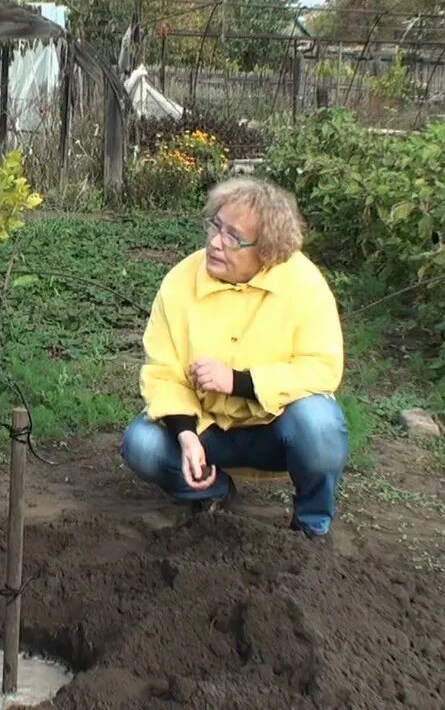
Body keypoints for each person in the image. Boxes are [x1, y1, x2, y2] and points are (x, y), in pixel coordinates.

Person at [121, 176, 348, 539]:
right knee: (142, 444)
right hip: (207, 430)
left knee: (319, 425)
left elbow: (321, 368)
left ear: (268, 251)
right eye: (215, 226)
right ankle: (214, 493)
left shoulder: (304, 284)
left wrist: (239, 381)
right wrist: (185, 435)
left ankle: (310, 527)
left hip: (277, 430)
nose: (214, 243)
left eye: (233, 238)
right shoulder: (180, 281)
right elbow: (162, 373)